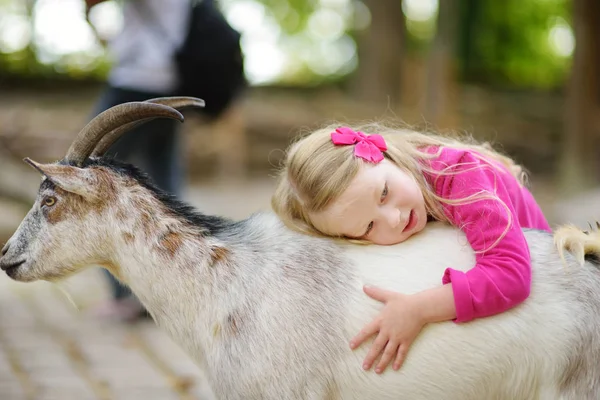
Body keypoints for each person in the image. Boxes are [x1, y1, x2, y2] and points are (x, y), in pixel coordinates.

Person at [271, 123, 551, 374]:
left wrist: (417, 309)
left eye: (384, 193)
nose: (394, 219)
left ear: (387, 155)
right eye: (368, 227)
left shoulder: (461, 174)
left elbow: (511, 275)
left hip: (550, 312)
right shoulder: (397, 187)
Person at [85, 0, 245, 321]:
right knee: (166, 190)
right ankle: (170, 292)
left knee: (87, 174)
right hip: (169, 82)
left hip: (135, 80)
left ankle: (126, 295)